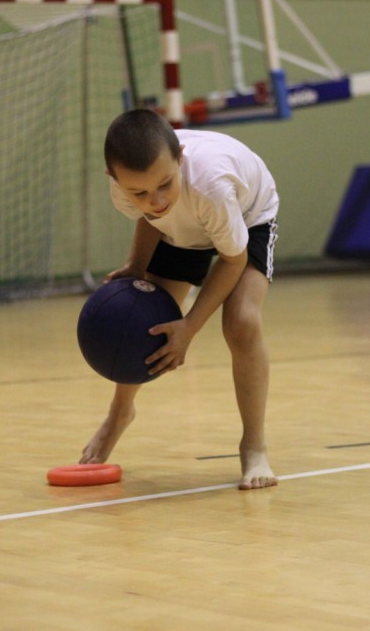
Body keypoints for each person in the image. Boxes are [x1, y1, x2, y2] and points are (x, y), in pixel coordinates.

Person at [79, 108, 280, 490]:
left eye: (164, 184)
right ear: (115, 180)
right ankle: (119, 414)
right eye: (139, 192)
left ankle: (254, 446)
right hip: (183, 225)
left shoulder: (211, 185)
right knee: (139, 322)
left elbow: (232, 259)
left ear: (180, 158)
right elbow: (151, 218)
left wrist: (189, 326)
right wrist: (136, 267)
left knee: (241, 324)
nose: (154, 199)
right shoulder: (130, 193)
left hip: (247, 217)